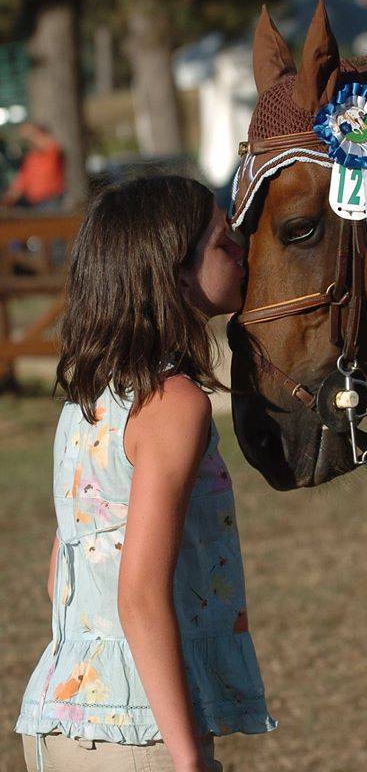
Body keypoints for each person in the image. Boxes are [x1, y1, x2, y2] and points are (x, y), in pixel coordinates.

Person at [14, 176, 276, 772]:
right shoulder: (175, 404)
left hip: (59, 721)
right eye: (221, 241)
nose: (241, 247)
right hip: (138, 737)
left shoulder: (89, 404)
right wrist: (185, 759)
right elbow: (138, 596)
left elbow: (62, 578)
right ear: (176, 273)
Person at [0, 122, 65, 210]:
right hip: (32, 203)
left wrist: (31, 133)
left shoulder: (51, 152)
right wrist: (8, 199)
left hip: (50, 200)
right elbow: (20, 183)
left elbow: (51, 144)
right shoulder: (31, 158)